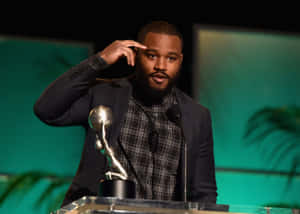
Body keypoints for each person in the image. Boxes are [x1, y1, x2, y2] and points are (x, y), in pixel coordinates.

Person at [34, 20, 217, 207]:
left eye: (171, 58)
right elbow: (47, 110)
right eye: (152, 56)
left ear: (180, 60)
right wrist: (100, 60)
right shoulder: (105, 95)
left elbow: (204, 193)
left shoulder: (196, 116)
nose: (161, 66)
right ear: (136, 54)